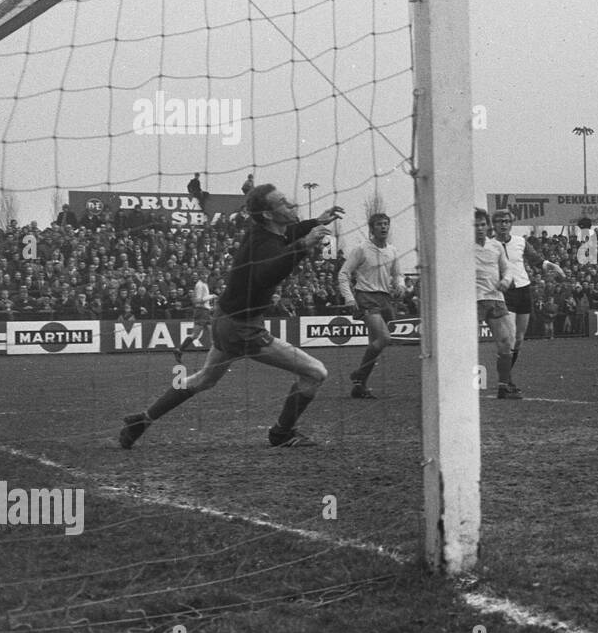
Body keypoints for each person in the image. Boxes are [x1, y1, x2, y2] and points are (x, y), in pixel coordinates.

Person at [118, 184, 344, 449]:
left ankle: (142, 420)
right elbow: (267, 273)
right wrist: (304, 245)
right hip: (241, 328)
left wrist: (315, 222)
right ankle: (282, 433)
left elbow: (286, 234)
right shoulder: (266, 244)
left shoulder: (265, 232)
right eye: (283, 202)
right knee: (315, 372)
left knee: (204, 379)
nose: (291, 205)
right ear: (269, 215)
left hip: (227, 319)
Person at [337, 212, 403, 399]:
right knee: (384, 339)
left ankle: (359, 386)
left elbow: (398, 274)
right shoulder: (361, 249)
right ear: (371, 228)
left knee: (374, 344)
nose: (383, 227)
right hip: (365, 297)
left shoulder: (392, 250)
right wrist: (349, 298)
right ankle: (359, 373)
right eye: (379, 224)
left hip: (384, 299)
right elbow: (343, 273)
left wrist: (400, 285)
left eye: (386, 224)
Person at [490, 209, 565, 372]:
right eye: (499, 221)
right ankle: (505, 379)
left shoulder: (520, 242)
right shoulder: (489, 245)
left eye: (506, 221)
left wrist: (550, 265)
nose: (503, 225)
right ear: (494, 224)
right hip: (504, 293)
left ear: (511, 224)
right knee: (508, 338)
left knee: (519, 339)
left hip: (523, 290)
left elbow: (536, 260)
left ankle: (507, 374)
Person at [475, 208, 519, 399]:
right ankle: (462, 386)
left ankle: (503, 386)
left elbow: (507, 268)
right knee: (465, 345)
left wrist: (506, 281)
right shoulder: (462, 248)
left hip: (495, 298)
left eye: (482, 224)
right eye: (475, 225)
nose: (479, 228)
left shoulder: (496, 246)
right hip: (473, 300)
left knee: (506, 341)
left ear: (488, 226)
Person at [174, 272, 215, 363]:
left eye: (206, 275)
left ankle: (179, 350)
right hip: (201, 311)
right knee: (196, 335)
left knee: (212, 334)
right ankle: (179, 350)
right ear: (200, 276)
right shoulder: (199, 285)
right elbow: (198, 300)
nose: (205, 276)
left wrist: (209, 306)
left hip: (205, 311)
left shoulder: (204, 284)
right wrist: (211, 296)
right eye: (203, 275)